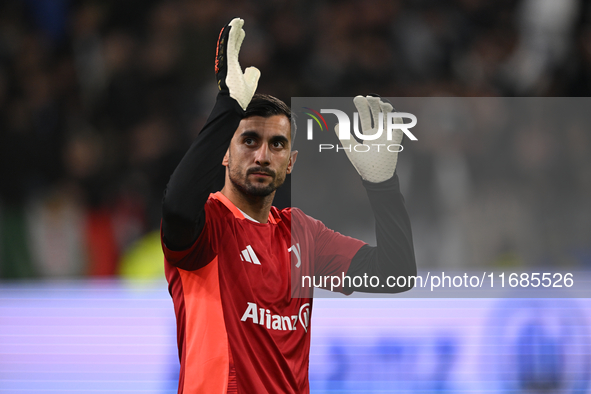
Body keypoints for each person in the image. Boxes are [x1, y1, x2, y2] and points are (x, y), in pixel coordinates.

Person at [161, 18, 416, 394]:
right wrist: (227, 107)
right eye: (249, 141)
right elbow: (178, 207)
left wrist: (382, 186)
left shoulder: (302, 234)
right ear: (224, 155)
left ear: (291, 161)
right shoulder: (208, 224)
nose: (263, 155)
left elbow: (397, 273)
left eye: (277, 144)